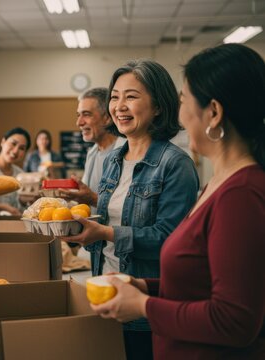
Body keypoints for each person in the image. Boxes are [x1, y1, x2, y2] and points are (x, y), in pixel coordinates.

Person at [89, 44, 265, 359]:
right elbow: (197, 284)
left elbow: (235, 320)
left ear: (213, 112)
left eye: (184, 101)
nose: (181, 114)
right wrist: (142, 286)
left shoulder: (239, 195)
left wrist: (143, 305)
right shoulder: (219, 183)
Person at [62, 59, 199, 359]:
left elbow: (169, 241)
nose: (119, 106)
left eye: (131, 97)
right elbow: (115, 216)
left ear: (159, 106)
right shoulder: (114, 160)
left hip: (144, 311)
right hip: (105, 297)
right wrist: (81, 227)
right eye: (115, 96)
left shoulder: (175, 164)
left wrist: (106, 233)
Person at [59, 87, 125, 212]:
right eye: (78, 115)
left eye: (86, 114)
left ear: (107, 118)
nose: (79, 122)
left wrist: (93, 199)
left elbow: (132, 209)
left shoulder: (127, 153)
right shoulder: (92, 153)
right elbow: (84, 196)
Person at [0, 127, 31, 216]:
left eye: (21, 148)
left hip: (12, 226)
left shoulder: (21, 175)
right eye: (13, 143)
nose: (15, 151)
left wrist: (23, 201)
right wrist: (5, 207)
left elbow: (20, 209)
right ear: (3, 141)